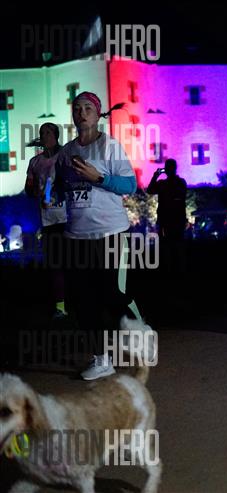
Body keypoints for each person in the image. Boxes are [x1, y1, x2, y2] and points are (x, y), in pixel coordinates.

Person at [54, 91, 142, 380]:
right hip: (76, 236)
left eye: (87, 108)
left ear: (97, 113)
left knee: (112, 294)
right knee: (82, 300)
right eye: (77, 108)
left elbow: (129, 185)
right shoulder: (66, 152)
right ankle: (101, 358)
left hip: (110, 232)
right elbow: (61, 188)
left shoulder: (109, 146)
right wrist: (52, 192)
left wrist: (99, 178)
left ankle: (140, 332)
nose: (81, 113)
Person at [25, 122, 67, 318]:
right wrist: (37, 192)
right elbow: (28, 189)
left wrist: (58, 191)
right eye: (42, 133)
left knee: (75, 263)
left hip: (69, 219)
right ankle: (60, 307)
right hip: (48, 221)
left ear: (56, 135)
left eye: (49, 132)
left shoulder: (65, 156)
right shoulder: (35, 162)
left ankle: (81, 302)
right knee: (55, 265)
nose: (45, 135)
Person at [147, 158, 187, 286]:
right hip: (178, 219)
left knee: (167, 247)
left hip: (166, 220)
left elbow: (149, 190)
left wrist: (156, 176)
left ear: (166, 169)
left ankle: (169, 273)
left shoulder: (162, 184)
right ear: (175, 168)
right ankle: (179, 273)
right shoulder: (181, 182)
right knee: (178, 246)